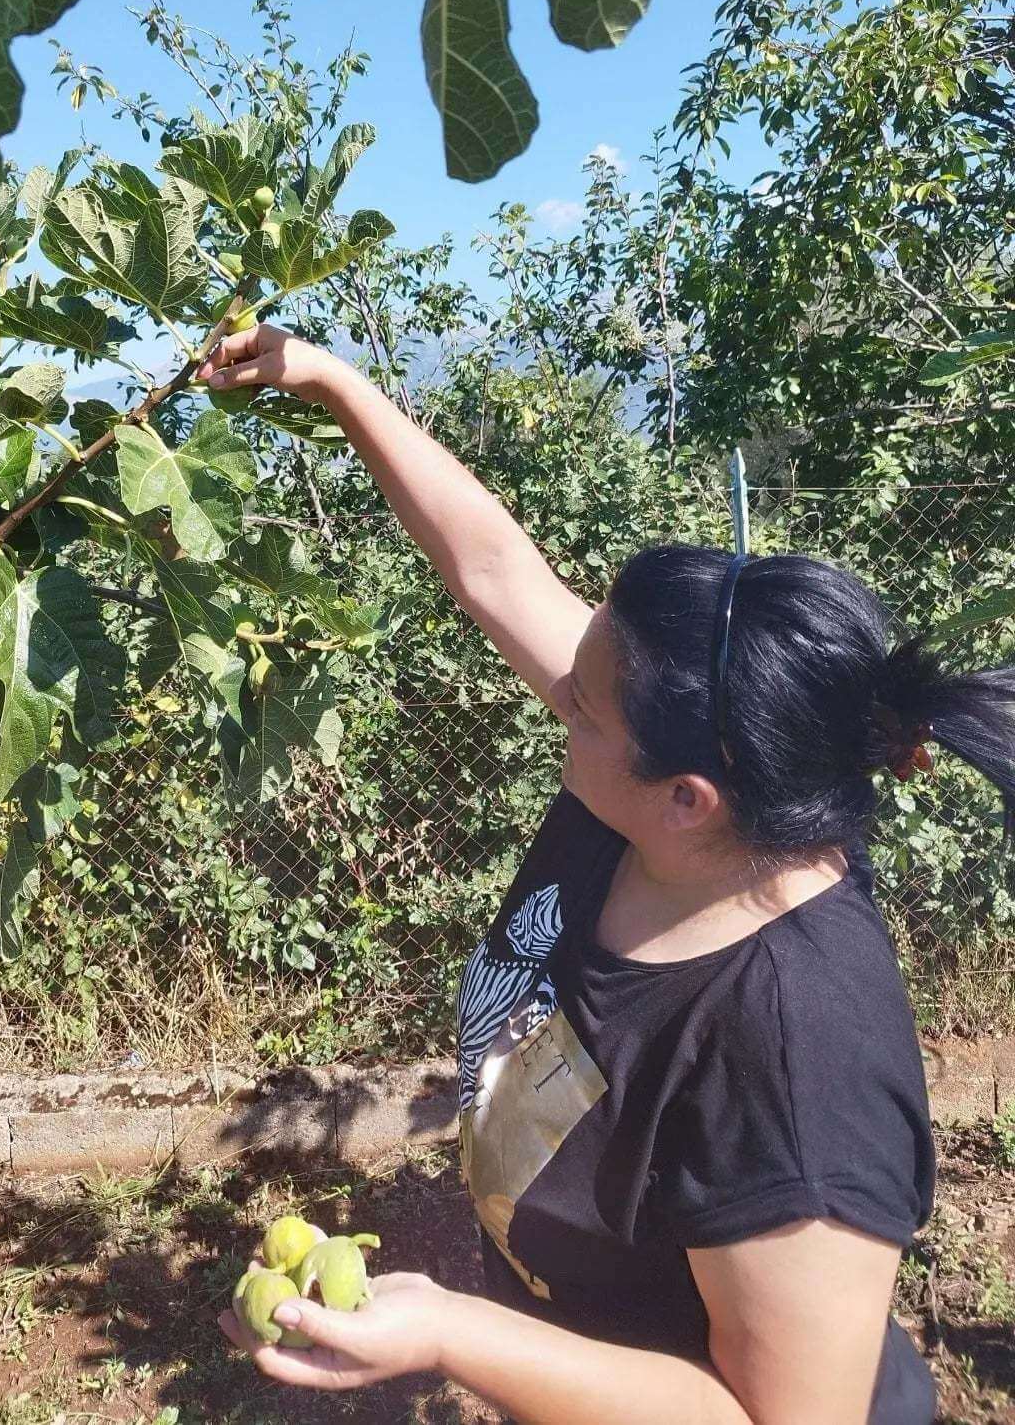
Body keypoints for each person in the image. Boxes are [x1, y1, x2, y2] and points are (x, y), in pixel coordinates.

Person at [207, 324, 1015, 1424]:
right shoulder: (654, 800)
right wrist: (332, 382)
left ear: (689, 796)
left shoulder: (796, 1055)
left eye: (579, 707)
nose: (558, 705)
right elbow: (493, 567)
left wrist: (455, 1331)